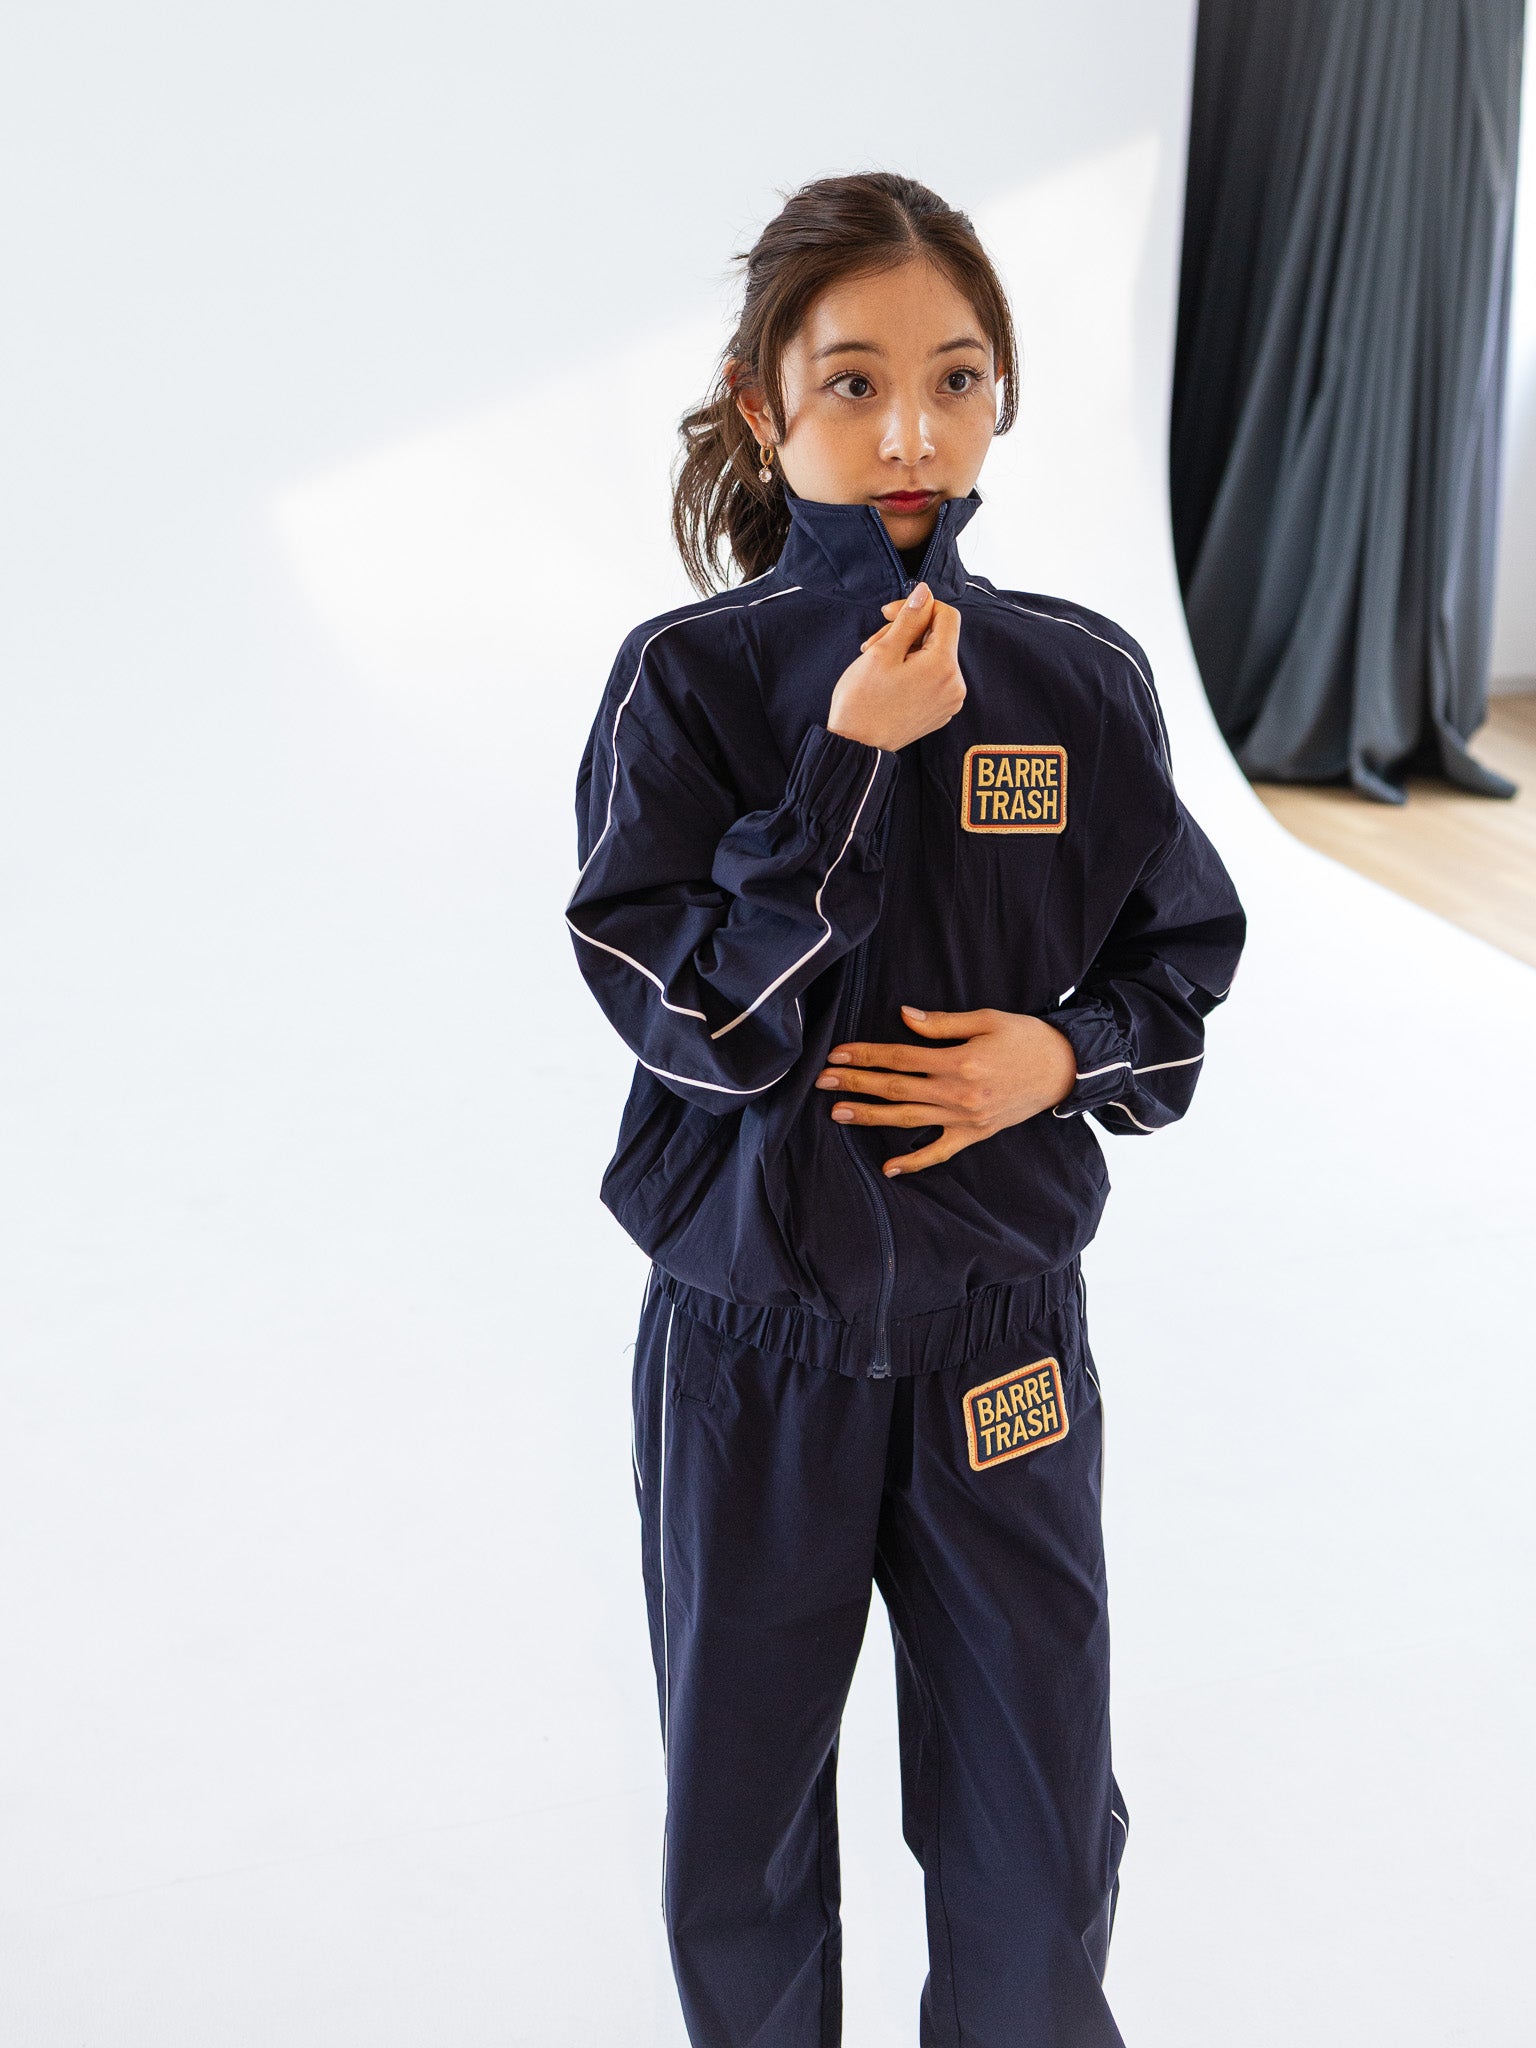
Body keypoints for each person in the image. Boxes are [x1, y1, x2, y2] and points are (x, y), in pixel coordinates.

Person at [564, 171, 1246, 2048]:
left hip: (999, 1354)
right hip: (751, 1355)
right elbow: (694, 1026)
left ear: (1003, 394)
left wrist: (1064, 1057)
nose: (911, 435)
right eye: (853, 383)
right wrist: (850, 767)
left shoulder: (1079, 683)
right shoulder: (691, 685)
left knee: (1039, 1833)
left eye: (954, 379)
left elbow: (1181, 976)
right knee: (742, 1846)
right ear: (761, 402)